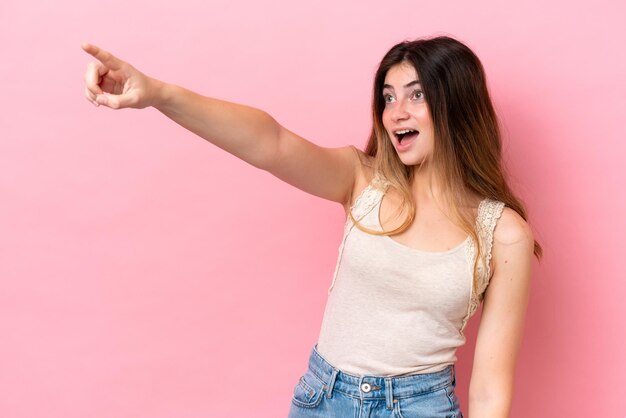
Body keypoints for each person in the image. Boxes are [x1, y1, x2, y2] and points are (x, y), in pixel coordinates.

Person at [82, 36, 541, 417]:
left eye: (416, 94)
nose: (396, 112)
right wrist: (159, 93)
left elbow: (489, 392)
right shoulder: (363, 180)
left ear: (456, 104)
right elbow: (271, 142)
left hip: (420, 407)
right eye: (388, 97)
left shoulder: (503, 234)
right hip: (324, 400)